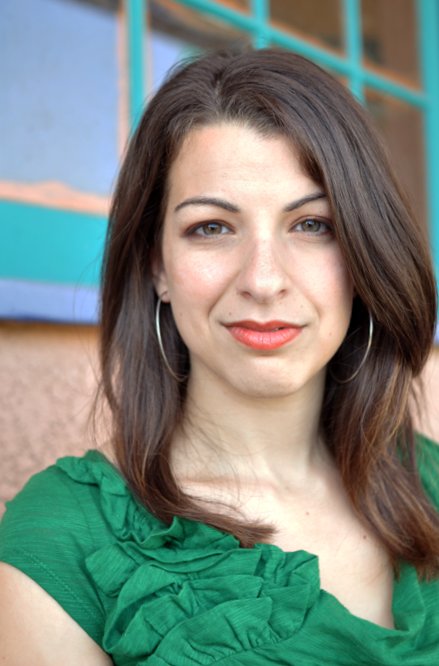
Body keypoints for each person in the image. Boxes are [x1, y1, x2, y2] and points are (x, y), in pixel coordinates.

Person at [0, 48, 438, 665]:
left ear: (366, 251)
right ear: (157, 265)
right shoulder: (62, 540)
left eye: (312, 225)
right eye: (212, 227)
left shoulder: (429, 477)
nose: (263, 280)